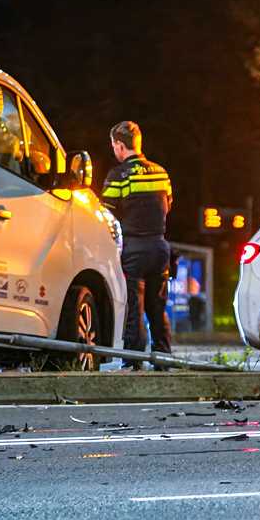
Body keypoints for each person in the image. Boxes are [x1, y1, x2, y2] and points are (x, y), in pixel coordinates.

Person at [101, 121, 174, 368]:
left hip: (132, 249)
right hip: (160, 247)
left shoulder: (118, 176)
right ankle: (163, 358)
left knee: (134, 308)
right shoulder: (161, 173)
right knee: (158, 307)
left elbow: (106, 216)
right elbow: (168, 206)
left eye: (114, 146)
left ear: (120, 146)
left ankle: (133, 362)